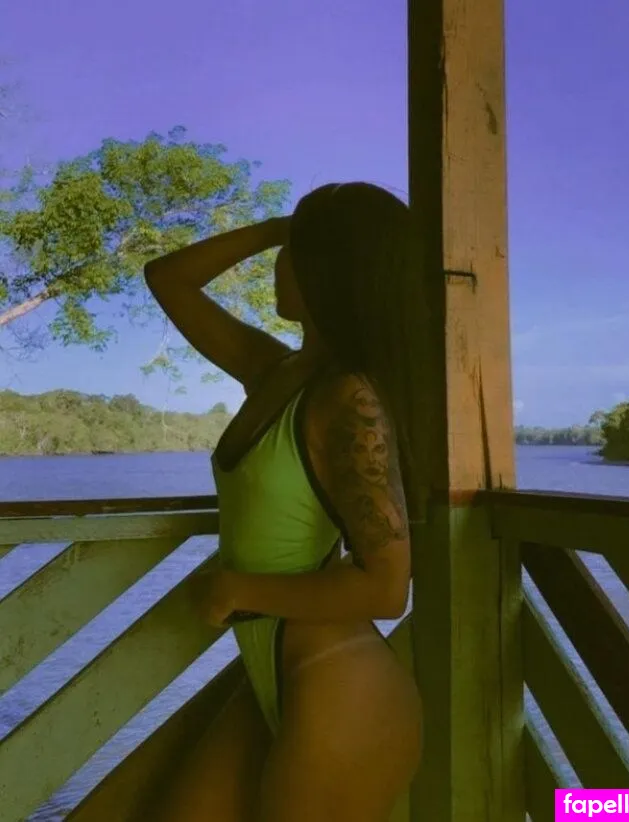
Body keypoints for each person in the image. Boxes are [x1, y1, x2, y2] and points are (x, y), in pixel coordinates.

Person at [145, 181, 429, 822]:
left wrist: (238, 588)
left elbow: (387, 589)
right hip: (275, 675)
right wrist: (285, 226)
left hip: (340, 688)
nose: (279, 264)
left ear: (333, 269)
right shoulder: (278, 372)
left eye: (295, 253)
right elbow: (168, 279)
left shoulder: (348, 398)